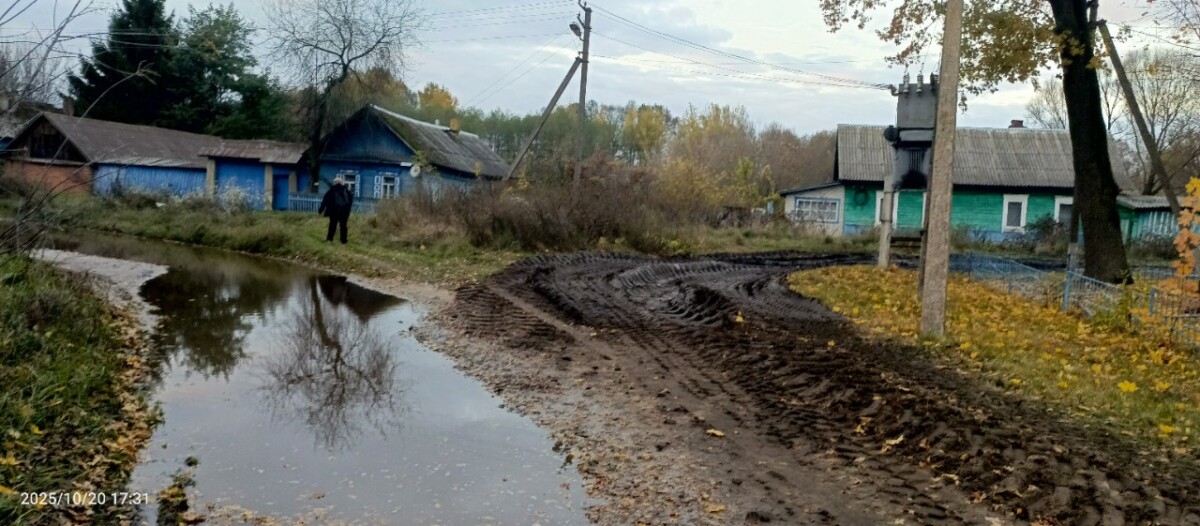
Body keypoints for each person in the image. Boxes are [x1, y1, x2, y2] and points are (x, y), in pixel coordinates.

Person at [317, 177, 354, 244]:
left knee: (332, 225)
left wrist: (320, 210)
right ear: (341, 183)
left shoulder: (331, 191)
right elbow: (350, 201)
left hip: (334, 212)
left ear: (335, 183)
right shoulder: (347, 191)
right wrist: (348, 210)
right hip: (344, 212)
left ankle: (329, 239)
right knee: (343, 226)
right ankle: (343, 241)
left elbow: (325, 201)